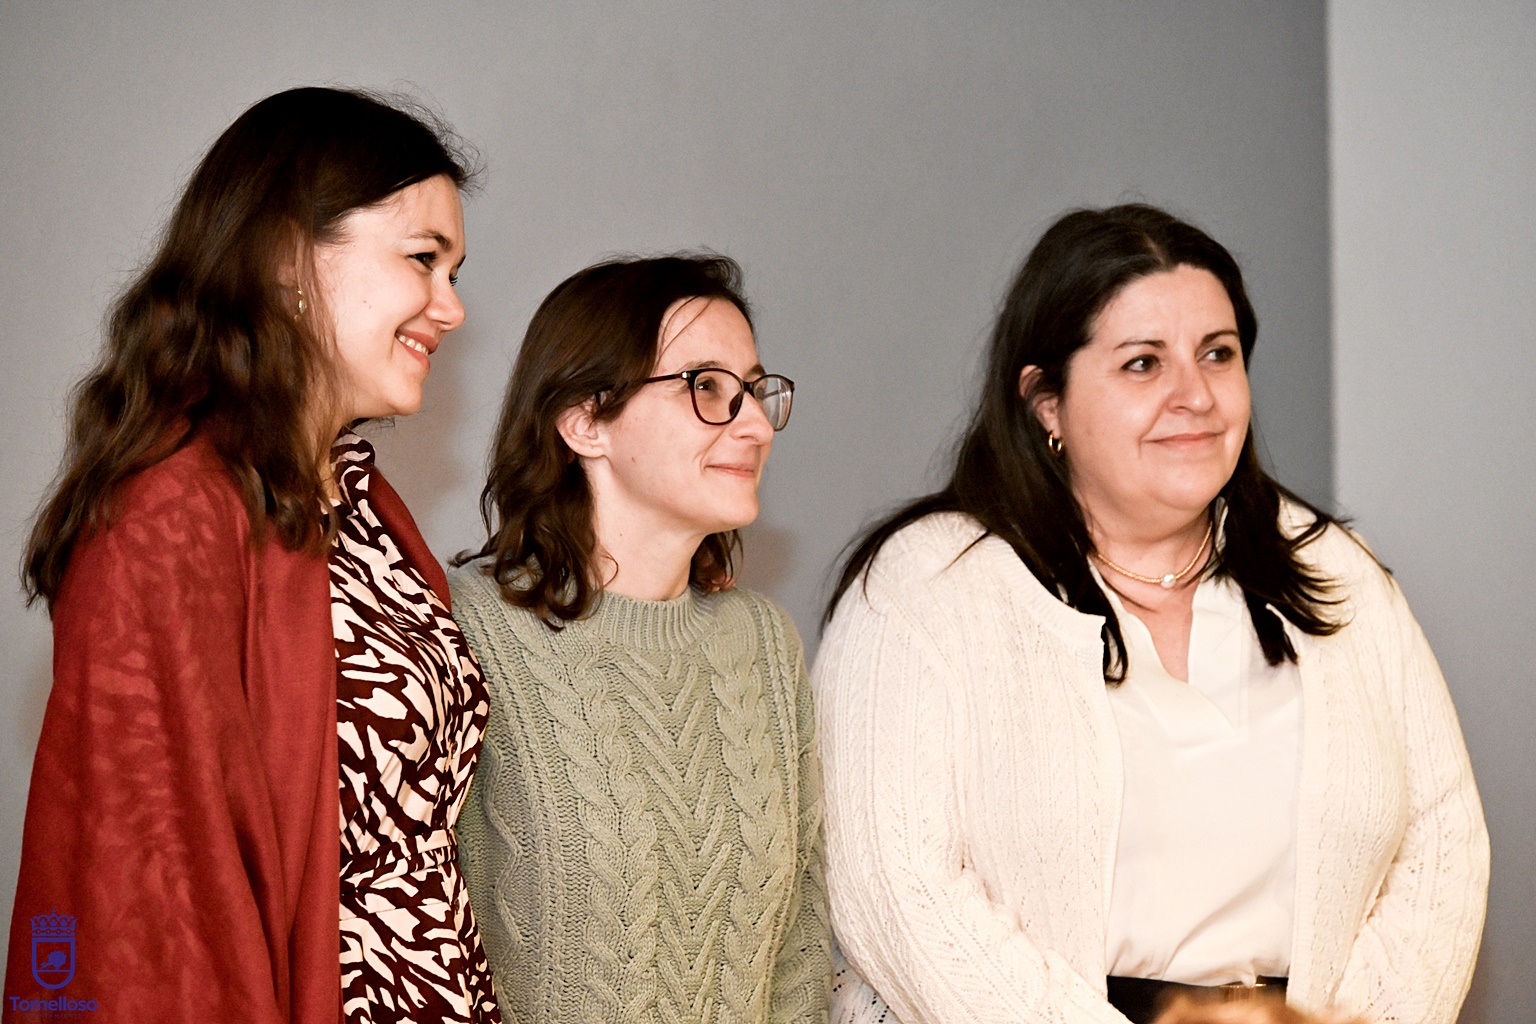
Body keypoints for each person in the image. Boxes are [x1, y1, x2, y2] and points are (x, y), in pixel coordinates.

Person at [814, 204, 1487, 1024]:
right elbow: (896, 888)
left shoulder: (1333, 570)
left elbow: (1442, 842)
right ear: (1045, 403)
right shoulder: (924, 589)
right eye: (1142, 364)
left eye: (1219, 354)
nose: (1195, 396)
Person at [6, 87, 501, 1024]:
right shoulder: (167, 520)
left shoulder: (364, 509)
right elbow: (151, 911)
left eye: (456, 273)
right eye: (423, 261)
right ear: (287, 256)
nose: (452, 307)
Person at [451, 254, 831, 1024]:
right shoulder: (467, 629)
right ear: (584, 420)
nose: (754, 424)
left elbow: (801, 939)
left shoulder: (762, 643)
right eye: (707, 387)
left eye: (754, 390)